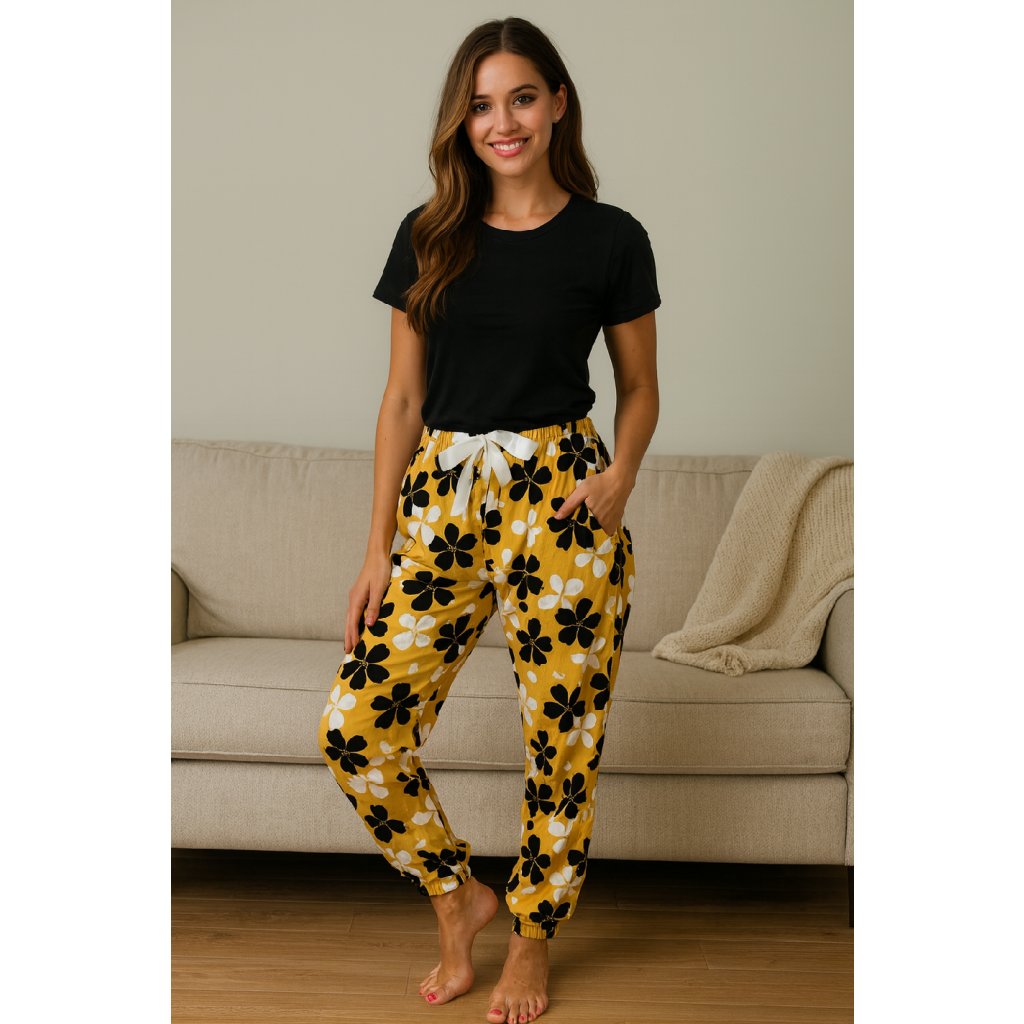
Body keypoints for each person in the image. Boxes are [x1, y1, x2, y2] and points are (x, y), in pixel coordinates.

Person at [316, 16, 660, 1024]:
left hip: (563, 503)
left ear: (557, 104)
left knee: (561, 741)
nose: (501, 122)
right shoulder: (429, 234)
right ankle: (457, 896)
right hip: (443, 502)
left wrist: (620, 478)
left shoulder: (611, 237)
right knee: (357, 728)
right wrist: (376, 548)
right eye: (479, 105)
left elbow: (639, 388)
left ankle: (531, 940)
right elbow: (399, 401)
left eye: (520, 98)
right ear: (459, 121)